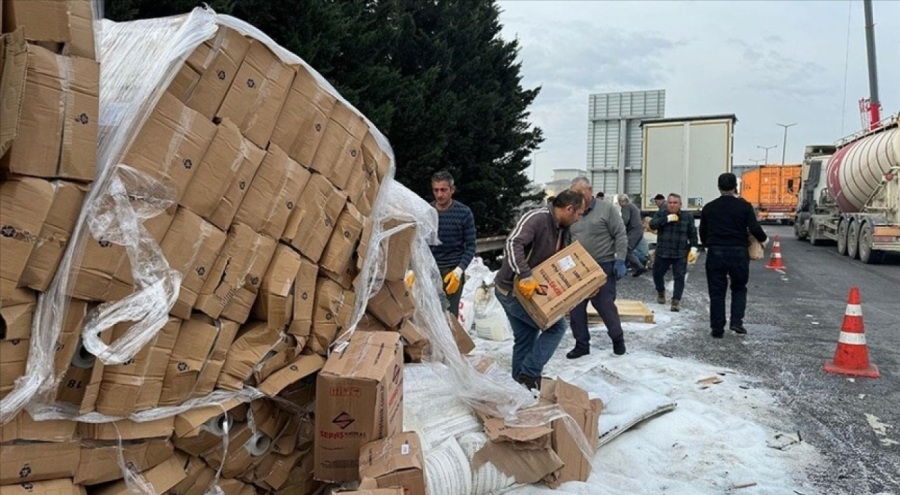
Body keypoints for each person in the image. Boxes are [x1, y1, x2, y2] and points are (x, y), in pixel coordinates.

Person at [494, 190, 585, 390]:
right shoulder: (537, 219)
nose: (579, 219)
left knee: (526, 338)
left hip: (527, 292)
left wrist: (582, 288)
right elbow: (512, 243)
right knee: (556, 327)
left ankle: (519, 387)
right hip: (511, 290)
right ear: (569, 209)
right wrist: (525, 275)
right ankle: (529, 374)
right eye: (578, 214)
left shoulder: (563, 229)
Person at [565, 178, 628, 359]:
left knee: (604, 304)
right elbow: (566, 238)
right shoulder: (573, 211)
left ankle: (617, 338)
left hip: (603, 264)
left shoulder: (606, 209)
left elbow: (620, 234)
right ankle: (582, 344)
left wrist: (620, 259)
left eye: (580, 193)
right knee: (576, 307)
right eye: (574, 193)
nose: (577, 197)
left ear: (590, 191)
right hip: (578, 266)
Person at [699, 173, 768, 338]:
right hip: (738, 252)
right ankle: (737, 322)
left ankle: (717, 328)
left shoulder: (709, 207)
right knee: (739, 288)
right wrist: (764, 240)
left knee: (717, 291)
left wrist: (708, 245)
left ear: (719, 187)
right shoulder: (744, 207)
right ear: (734, 187)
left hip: (716, 252)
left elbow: (703, 231)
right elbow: (754, 228)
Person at [429, 170, 476, 316]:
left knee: (449, 315)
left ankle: (451, 339)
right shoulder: (427, 212)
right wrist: (413, 270)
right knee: (430, 314)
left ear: (452, 190)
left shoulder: (464, 213)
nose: (439, 195)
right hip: (431, 269)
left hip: (452, 270)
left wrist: (458, 271)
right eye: (436, 190)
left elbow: (471, 246)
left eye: (443, 190)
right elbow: (419, 244)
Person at [649, 193, 698, 312]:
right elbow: (652, 225)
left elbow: (692, 234)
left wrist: (693, 248)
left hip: (680, 253)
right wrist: (666, 219)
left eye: (675, 203)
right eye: (670, 202)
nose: (672, 205)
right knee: (657, 274)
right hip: (663, 252)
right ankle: (661, 291)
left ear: (680, 204)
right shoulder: (662, 213)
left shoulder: (687, 217)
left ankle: (676, 301)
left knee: (679, 277)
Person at [617, 194, 648, 276]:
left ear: (622, 201)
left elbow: (625, 220)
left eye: (619, 201)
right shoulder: (633, 206)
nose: (619, 204)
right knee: (629, 250)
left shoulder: (626, 207)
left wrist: (617, 227)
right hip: (638, 231)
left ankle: (639, 266)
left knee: (625, 250)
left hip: (633, 232)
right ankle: (637, 266)